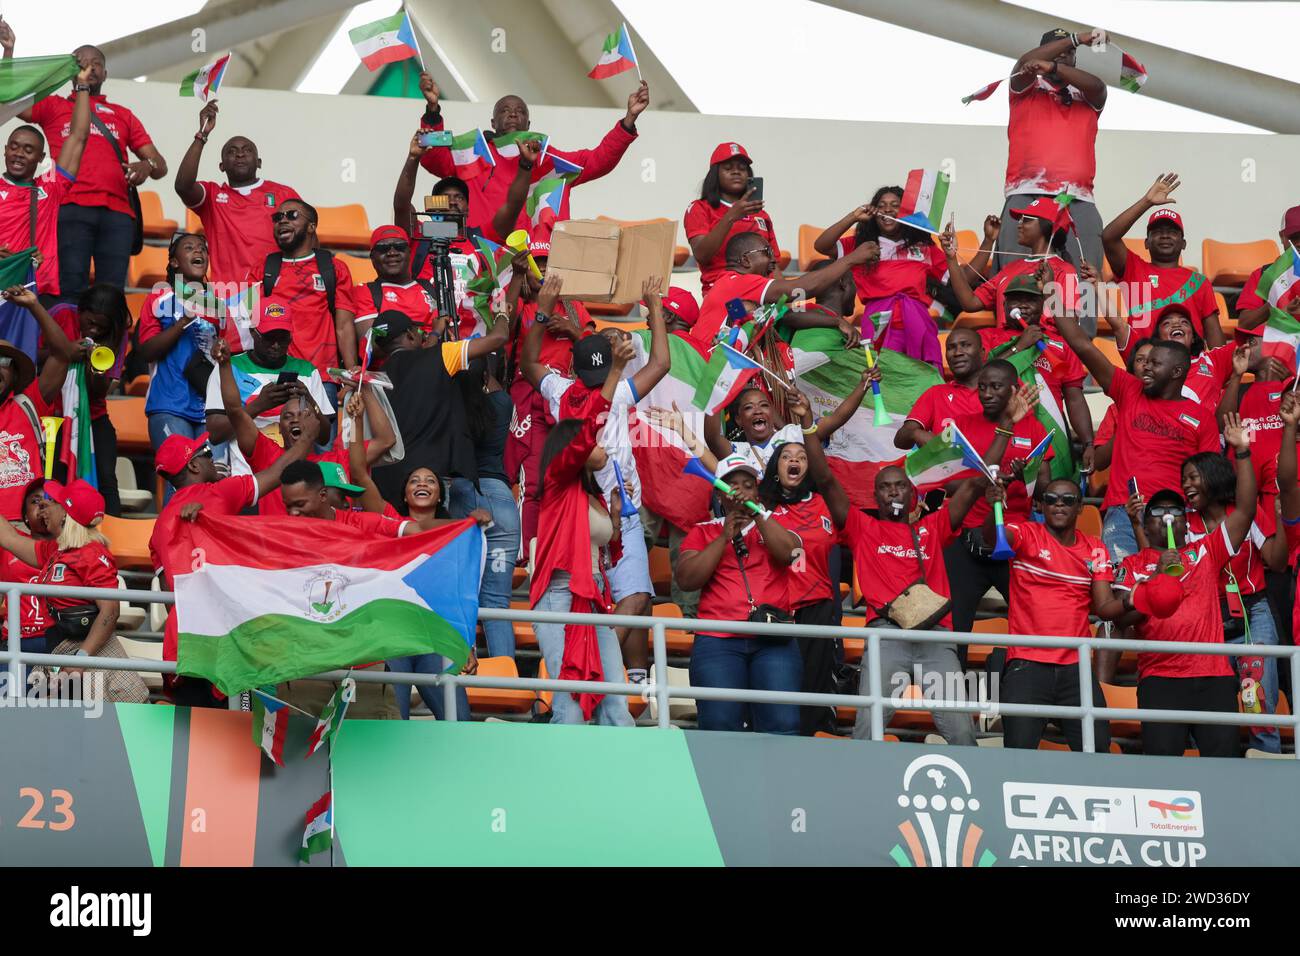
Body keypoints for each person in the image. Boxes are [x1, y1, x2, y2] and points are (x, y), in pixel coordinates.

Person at [521, 275, 669, 684]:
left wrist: (541, 312)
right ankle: (590, 670)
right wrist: (653, 305)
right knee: (634, 597)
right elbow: (660, 363)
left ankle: (609, 672)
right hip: (597, 512)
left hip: (583, 510)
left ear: (572, 367)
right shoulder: (618, 393)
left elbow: (529, 363)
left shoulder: (559, 389)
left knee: (632, 598)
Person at [1110, 420, 1258, 757]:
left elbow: (1246, 509)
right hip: (1160, 678)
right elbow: (1122, 618)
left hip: (1213, 676)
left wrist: (1242, 450)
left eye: (1175, 511)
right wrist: (1158, 577)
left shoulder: (1204, 551)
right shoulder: (1134, 565)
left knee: (1223, 767)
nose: (1167, 517)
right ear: (1146, 522)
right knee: (1163, 773)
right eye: (1158, 511)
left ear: (1185, 519)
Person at [830, 455, 987, 745]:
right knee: (868, 727)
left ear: (912, 493)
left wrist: (1004, 428)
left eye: (900, 485)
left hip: (935, 637)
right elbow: (826, 482)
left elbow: (976, 484)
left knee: (962, 731)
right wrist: (809, 428)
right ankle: (856, 787)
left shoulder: (933, 527)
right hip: (887, 635)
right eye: (885, 487)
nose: (893, 491)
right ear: (875, 495)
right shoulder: (863, 528)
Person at [1052, 293, 1221, 562]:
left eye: (1155, 364)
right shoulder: (1129, 391)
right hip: (1124, 511)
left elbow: (1210, 481)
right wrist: (1053, 295)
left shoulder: (1202, 418)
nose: (1145, 369)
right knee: (1125, 593)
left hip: (1177, 516)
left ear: (1177, 372)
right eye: (1144, 362)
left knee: (1173, 593)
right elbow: (1083, 346)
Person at [149, 429, 309, 706]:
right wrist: (307, 438)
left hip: (184, 642)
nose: (213, 460)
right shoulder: (220, 492)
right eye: (207, 454)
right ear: (194, 465)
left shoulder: (159, 524)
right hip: (227, 637)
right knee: (238, 730)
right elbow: (279, 471)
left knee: (196, 735)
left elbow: (167, 595)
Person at [5, 30, 169, 295]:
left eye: (98, 65)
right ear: (72, 70)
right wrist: (9, 52)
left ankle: (107, 339)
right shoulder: (53, 106)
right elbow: (10, 98)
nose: (91, 69)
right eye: (83, 63)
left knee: (111, 295)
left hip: (118, 215)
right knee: (69, 288)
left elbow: (160, 165)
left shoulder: (123, 115)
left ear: (105, 74)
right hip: (70, 208)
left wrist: (146, 165)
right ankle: (68, 338)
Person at [530, 333, 635, 727]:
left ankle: (620, 783)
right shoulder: (558, 481)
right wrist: (618, 370)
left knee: (616, 705)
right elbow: (589, 428)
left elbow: (604, 554)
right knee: (570, 708)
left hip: (591, 597)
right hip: (559, 594)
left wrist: (616, 518)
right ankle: (560, 785)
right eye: (586, 441)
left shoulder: (591, 491)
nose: (597, 440)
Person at [989, 476, 1130, 751]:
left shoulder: (1096, 548)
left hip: (1075, 667)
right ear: (1040, 506)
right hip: (1027, 664)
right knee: (1019, 752)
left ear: (1080, 508)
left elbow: (1103, 607)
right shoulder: (1027, 534)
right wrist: (994, 509)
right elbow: (994, 536)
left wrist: (1134, 599)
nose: (1059, 505)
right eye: (1051, 499)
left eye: (1068, 500)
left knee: (1098, 749)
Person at [416, 71, 649, 236]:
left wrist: (629, 120)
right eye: (505, 111)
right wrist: (433, 110)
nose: (513, 115)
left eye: (519, 111)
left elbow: (597, 161)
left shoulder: (544, 157)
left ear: (528, 123)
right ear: (493, 122)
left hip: (528, 265)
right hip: (479, 255)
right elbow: (433, 158)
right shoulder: (471, 152)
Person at [676, 454, 803, 734]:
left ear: (757, 492)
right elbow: (686, 580)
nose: (740, 491)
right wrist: (723, 537)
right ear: (720, 495)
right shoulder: (703, 532)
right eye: (732, 485)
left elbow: (793, 556)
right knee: (719, 723)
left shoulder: (775, 524)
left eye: (748, 485)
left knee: (783, 723)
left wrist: (758, 516)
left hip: (773, 638)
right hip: (718, 640)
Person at [0, 477, 148, 703]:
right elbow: (9, 538)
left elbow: (110, 611)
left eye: (51, 502)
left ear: (66, 514)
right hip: (59, 650)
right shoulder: (56, 550)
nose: (43, 508)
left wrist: (81, 660)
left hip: (83, 655)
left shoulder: (91, 552)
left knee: (95, 730)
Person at [1182, 445, 1286, 753]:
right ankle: (1212, 757)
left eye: (1192, 477)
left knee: (1259, 692)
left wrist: (1282, 521)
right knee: (1211, 696)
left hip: (1253, 611)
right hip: (1207, 618)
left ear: (1213, 478)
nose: (1186, 485)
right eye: (1183, 480)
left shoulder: (1245, 515)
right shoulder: (1184, 523)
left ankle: (1266, 755)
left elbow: (1277, 561)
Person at [934, 361, 1051, 634]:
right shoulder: (961, 425)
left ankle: (1019, 675)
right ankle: (951, 676)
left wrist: (1025, 476)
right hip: (966, 537)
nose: (986, 393)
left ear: (1013, 390)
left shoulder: (1033, 428)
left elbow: (1043, 487)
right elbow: (946, 483)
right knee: (955, 625)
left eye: (996, 387)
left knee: (1029, 623)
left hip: (1014, 539)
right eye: (982, 387)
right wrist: (975, 483)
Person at [813, 193, 995, 367]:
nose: (888, 210)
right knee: (884, 382)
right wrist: (853, 217)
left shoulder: (924, 247)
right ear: (874, 213)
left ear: (906, 213)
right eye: (881, 206)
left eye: (895, 206)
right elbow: (822, 245)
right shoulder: (861, 245)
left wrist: (987, 241)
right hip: (878, 324)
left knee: (922, 382)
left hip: (918, 323)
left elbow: (966, 279)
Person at [213, 336, 387, 515]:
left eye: (304, 414)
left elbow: (385, 440)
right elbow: (236, 413)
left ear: (315, 422)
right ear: (279, 429)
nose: (295, 420)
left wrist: (364, 388)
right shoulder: (267, 456)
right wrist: (225, 366)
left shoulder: (336, 461)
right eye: (287, 417)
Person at [370, 308, 508, 508]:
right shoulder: (442, 356)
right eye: (419, 333)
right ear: (410, 334)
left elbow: (421, 359)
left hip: (384, 484)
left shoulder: (371, 380)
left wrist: (434, 334)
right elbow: (499, 337)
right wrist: (502, 312)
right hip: (429, 482)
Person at [385, 463, 491, 721]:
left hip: (435, 636)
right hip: (394, 634)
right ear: (404, 494)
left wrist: (466, 643)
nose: (422, 484)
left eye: (430, 481)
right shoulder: (388, 527)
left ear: (441, 495)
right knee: (393, 719)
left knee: (458, 720)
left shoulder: (458, 534)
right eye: (414, 480)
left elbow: (464, 591)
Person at [997, 28, 1106, 276]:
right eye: (1055, 51)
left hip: (1077, 200)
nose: (1061, 56)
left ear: (1075, 60)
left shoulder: (1087, 94)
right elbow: (1024, 63)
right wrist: (1075, 40)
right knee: (1018, 282)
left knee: (1083, 282)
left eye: (1069, 52)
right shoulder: (1024, 86)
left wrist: (1054, 67)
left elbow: (1099, 86)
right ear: (1041, 55)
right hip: (1026, 195)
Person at [173, 101, 301, 294]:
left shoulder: (284, 194)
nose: (240, 154)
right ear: (222, 166)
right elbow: (183, 186)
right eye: (231, 152)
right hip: (231, 296)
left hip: (277, 293)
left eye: (247, 150)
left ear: (259, 162)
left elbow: (307, 239)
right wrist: (202, 135)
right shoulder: (212, 196)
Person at [974, 269, 1094, 468]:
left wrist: (1089, 443)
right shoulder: (986, 338)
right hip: (998, 432)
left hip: (1049, 433)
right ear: (1003, 305)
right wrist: (1019, 346)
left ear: (1042, 304)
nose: (1022, 305)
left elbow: (1075, 398)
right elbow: (977, 379)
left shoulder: (1061, 344)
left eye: (1029, 300)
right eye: (1015, 300)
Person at [0, 56, 91, 304]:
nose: (19, 153)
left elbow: (78, 137)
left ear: (41, 157)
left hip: (36, 289)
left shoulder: (49, 188)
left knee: (28, 346)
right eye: (14, 147)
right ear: (6, 149)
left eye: (28, 150)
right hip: (0, 287)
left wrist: (82, 85)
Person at [1100, 175, 1223, 355]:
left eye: (1172, 232)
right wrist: (1147, 201)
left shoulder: (1199, 282)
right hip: (1145, 370)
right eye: (1157, 232)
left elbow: (1216, 343)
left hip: (1189, 371)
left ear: (1183, 243)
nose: (1165, 236)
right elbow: (1109, 237)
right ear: (1146, 243)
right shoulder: (1134, 269)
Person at [447, 355, 519, 660]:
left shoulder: (447, 410)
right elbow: (495, 387)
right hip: (501, 500)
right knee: (496, 604)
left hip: (463, 495)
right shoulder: (502, 402)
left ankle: (455, 679)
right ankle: (508, 682)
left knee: (458, 599)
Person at [693, 232, 874, 347]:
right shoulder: (736, 281)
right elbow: (802, 289)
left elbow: (789, 314)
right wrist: (851, 259)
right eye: (767, 252)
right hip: (709, 364)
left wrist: (837, 322)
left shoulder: (741, 285)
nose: (774, 260)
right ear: (745, 260)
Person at [137, 234, 220, 480]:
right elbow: (147, 351)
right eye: (190, 247)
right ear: (174, 262)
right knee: (182, 482)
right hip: (169, 405)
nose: (199, 252)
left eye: (203, 248)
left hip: (209, 408)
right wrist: (183, 322)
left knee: (211, 485)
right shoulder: (157, 299)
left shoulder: (218, 303)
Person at [250, 198, 357, 379]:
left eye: (292, 215)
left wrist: (351, 374)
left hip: (321, 375)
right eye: (277, 217)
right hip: (274, 373)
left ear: (311, 227)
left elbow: (344, 327)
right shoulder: (261, 269)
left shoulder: (334, 268)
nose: (283, 220)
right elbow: (250, 323)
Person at [203, 297, 334, 445]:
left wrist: (309, 400)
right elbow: (215, 435)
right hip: (247, 467)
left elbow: (324, 438)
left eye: (283, 338)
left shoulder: (307, 371)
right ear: (253, 332)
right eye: (269, 338)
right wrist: (259, 405)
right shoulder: (228, 368)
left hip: (296, 466)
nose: (276, 345)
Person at [944, 198, 1084, 333]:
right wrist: (951, 257)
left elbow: (1072, 325)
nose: (1019, 224)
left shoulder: (1066, 270)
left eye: (1027, 220)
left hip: (1043, 352)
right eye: (1020, 219)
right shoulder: (1011, 268)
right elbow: (970, 303)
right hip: (1008, 352)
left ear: (1049, 228)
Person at [0, 287, 80, 521]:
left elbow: (62, 355)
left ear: (15, 375)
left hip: (27, 528)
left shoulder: (28, 403)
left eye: (4, 361)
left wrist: (35, 307)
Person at [684, 143, 778, 294]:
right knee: (745, 315)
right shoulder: (699, 208)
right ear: (715, 174)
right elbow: (702, 255)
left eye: (742, 168)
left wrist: (785, 300)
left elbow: (774, 265)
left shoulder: (761, 215)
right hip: (722, 292)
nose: (736, 172)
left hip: (761, 292)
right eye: (728, 168)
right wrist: (731, 216)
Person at [894, 326, 986, 450]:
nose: (957, 353)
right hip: (949, 466)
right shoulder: (936, 393)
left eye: (965, 345)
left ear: (982, 353)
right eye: (951, 348)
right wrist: (915, 433)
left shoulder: (999, 390)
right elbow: (900, 441)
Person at [344, 225, 438, 338]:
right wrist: (433, 334)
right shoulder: (365, 292)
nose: (392, 252)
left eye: (400, 246)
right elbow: (372, 345)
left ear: (409, 252)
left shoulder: (430, 288)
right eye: (383, 248)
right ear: (372, 258)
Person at [0, 479, 54, 654]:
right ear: (24, 515)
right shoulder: (8, 544)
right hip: (17, 643)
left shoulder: (74, 546)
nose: (43, 505)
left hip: (61, 643)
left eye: (50, 500)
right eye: (36, 501)